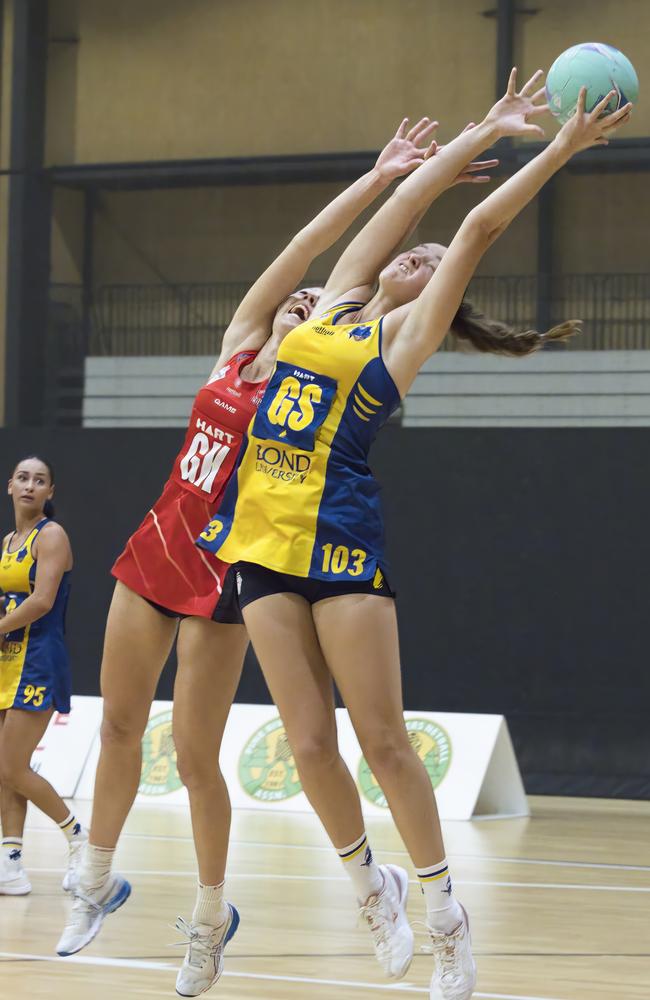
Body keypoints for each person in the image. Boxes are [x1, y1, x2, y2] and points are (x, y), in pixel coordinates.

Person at [198, 78, 631, 1000]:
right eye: (413, 254)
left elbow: (472, 232)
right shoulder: (333, 303)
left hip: (343, 541)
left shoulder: (400, 344)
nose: (420, 255)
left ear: (434, 296)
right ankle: (371, 888)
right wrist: (485, 128)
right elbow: (405, 204)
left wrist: (556, 150)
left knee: (384, 742)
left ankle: (445, 917)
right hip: (262, 543)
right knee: (306, 743)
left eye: (431, 265)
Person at [56, 118, 495, 995]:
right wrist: (378, 180)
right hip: (160, 542)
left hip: (240, 558)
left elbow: (379, 299)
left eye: (314, 305)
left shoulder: (318, 373)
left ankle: (213, 918)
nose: (300, 303)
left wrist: (407, 258)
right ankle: (92, 879)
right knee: (114, 725)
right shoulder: (241, 346)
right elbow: (305, 246)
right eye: (296, 302)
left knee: (190, 756)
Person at [0, 456, 84, 897]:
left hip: (39, 660)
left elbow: (42, 600)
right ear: (9, 486)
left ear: (50, 492)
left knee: (11, 766)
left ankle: (80, 841)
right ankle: (11, 862)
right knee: (6, 771)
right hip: (8, 660)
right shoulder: (8, 540)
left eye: (40, 480)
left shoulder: (51, 536)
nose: (30, 485)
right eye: (23, 478)